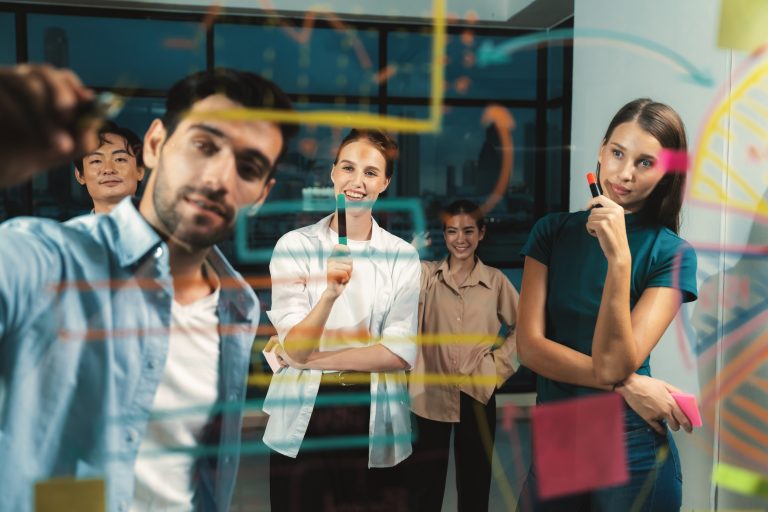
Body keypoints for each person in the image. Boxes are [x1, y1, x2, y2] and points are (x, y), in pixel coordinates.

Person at [0, 64, 296, 511]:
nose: (218, 178)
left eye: (248, 167)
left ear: (261, 193)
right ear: (156, 144)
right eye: (204, 145)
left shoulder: (238, 306)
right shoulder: (48, 260)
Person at [516, 98, 698, 511]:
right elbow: (529, 347)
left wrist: (619, 259)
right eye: (617, 153)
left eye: (645, 162)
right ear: (601, 151)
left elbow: (615, 362)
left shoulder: (671, 253)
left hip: (629, 439)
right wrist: (631, 384)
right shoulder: (552, 232)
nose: (625, 173)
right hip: (560, 432)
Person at [264, 129, 420, 511]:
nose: (357, 181)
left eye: (370, 172)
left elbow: (398, 354)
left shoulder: (402, 256)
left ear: (384, 183)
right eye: (348, 168)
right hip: (305, 409)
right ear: (333, 174)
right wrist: (330, 294)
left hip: (373, 407)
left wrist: (307, 358)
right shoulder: (294, 246)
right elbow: (297, 343)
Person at [407, 199, 518, 511]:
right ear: (443, 236)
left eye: (469, 231)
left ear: (481, 233)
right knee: (424, 488)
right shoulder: (425, 277)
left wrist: (496, 368)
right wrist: (410, 250)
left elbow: (524, 329)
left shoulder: (496, 282)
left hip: (478, 394)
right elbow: (392, 291)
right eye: (452, 231)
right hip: (428, 395)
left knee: (475, 485)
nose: (461, 239)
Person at [74, 120, 145, 214]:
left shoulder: (165, 228)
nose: (108, 169)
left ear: (139, 171)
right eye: (96, 161)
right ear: (80, 175)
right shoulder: (66, 229)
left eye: (120, 159)